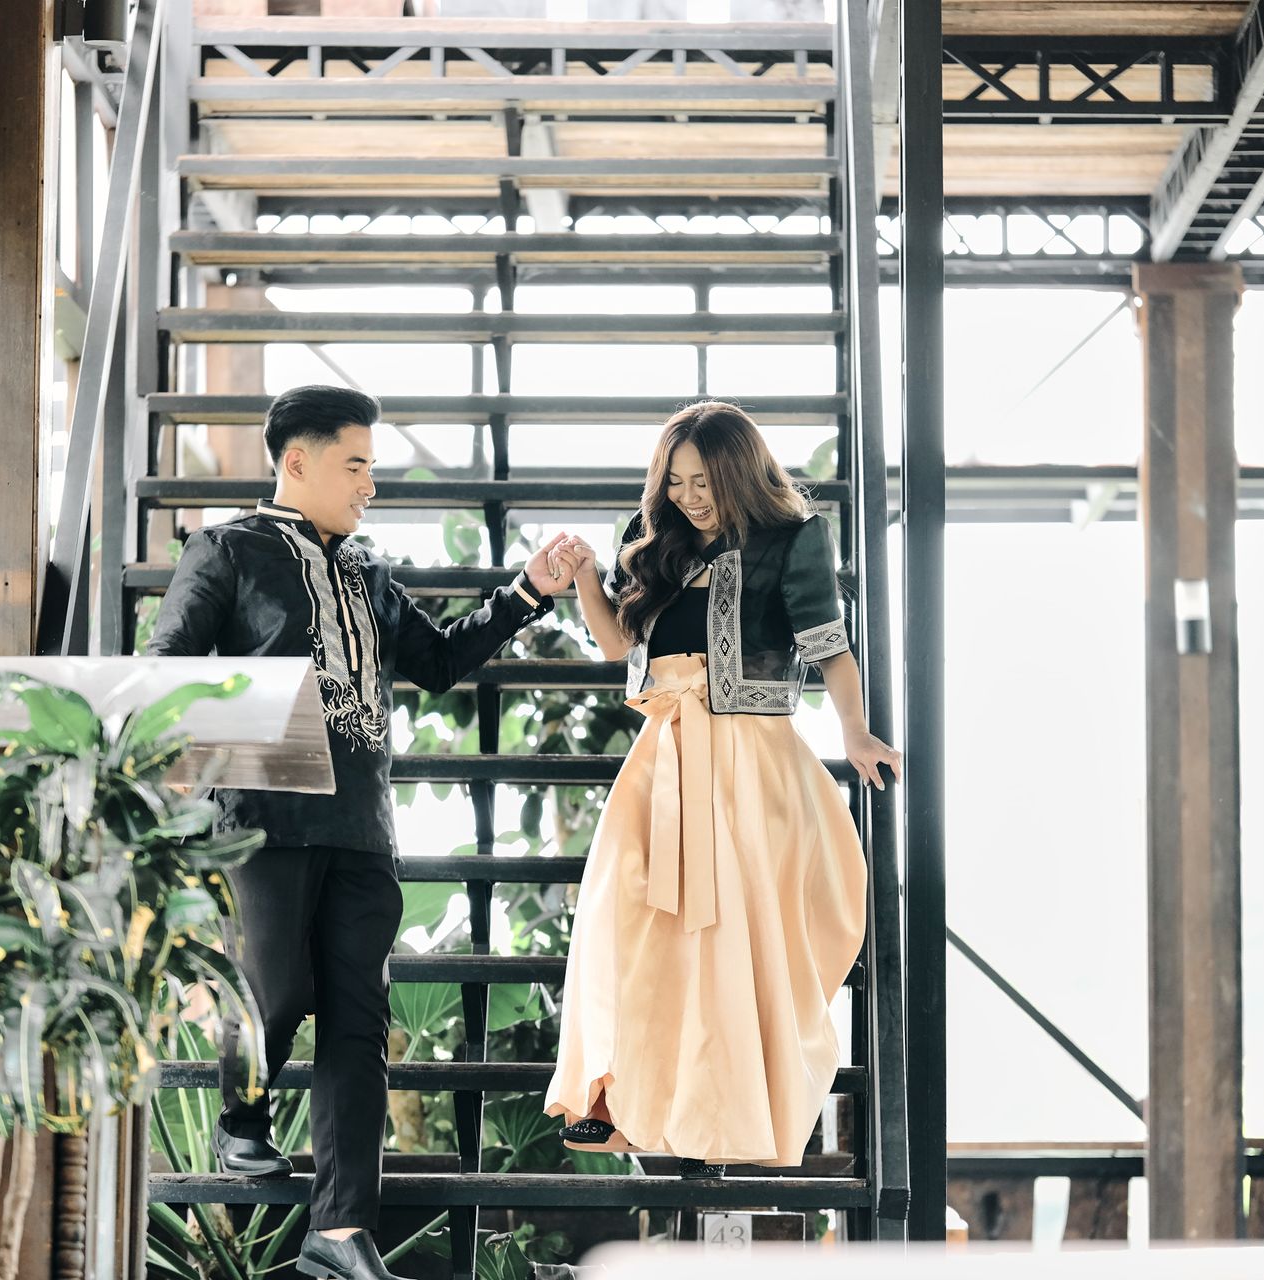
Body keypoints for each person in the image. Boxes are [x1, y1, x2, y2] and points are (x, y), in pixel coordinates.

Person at [146, 385, 583, 1280]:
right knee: (270, 994)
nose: (369, 485)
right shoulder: (225, 550)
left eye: (372, 468)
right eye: (356, 466)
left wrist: (526, 593)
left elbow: (437, 660)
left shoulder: (368, 572)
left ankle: (340, 1229)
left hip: (362, 829)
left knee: (358, 1024)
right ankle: (241, 1120)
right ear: (296, 461)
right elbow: (168, 671)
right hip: (261, 822)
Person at [543, 400, 902, 1177]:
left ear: (738, 470)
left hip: (750, 761)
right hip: (663, 756)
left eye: (703, 481)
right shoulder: (653, 541)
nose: (689, 497)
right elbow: (616, 643)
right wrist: (585, 579)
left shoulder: (793, 538)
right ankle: (615, 1100)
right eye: (675, 482)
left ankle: (731, 1110)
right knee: (621, 917)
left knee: (728, 944)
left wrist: (854, 732)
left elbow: (830, 649)